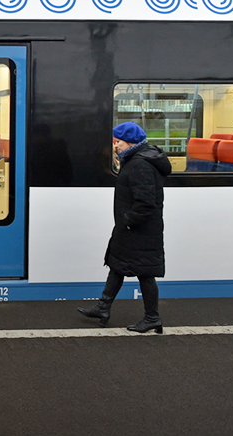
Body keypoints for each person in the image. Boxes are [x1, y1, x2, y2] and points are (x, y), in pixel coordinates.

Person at [77, 122, 171, 333]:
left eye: (118, 141)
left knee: (145, 273)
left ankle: (152, 318)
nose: (115, 145)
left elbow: (146, 203)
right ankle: (103, 307)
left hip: (140, 229)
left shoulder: (140, 165)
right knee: (117, 263)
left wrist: (128, 221)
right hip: (131, 227)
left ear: (130, 142)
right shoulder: (137, 160)